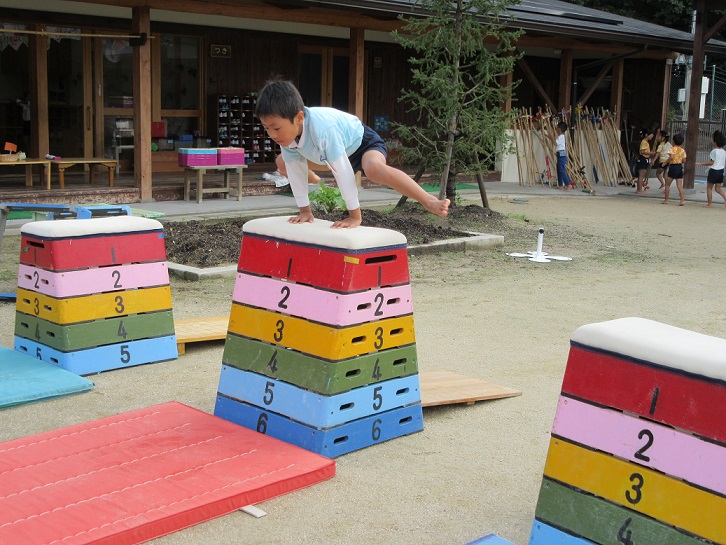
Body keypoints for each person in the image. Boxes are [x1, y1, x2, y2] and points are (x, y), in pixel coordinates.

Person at [255, 79, 450, 228]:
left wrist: (355, 215)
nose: (272, 134)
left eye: (276, 128)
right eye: (266, 128)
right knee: (283, 162)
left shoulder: (323, 129)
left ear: (299, 118)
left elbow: (344, 173)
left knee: (373, 170)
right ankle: (313, 178)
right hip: (326, 155)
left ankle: (429, 200)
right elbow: (295, 171)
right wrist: (305, 211)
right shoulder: (286, 136)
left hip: (361, 144)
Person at [695, 130, 726, 208]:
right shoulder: (723, 151)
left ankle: (710, 203)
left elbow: (711, 163)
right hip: (721, 171)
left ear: (715, 142)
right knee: (718, 189)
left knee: (709, 188)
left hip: (713, 171)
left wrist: (700, 163)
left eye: (713, 139)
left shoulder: (714, 151)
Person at [662, 133, 686, 206]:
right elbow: (684, 160)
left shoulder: (672, 149)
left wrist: (665, 163)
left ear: (673, 141)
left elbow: (671, 157)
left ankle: (666, 200)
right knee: (679, 185)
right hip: (679, 167)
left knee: (667, 184)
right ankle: (682, 200)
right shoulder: (682, 150)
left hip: (673, 167)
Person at [635, 128, 656, 195]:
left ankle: (638, 189)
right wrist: (651, 153)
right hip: (643, 159)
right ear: (646, 135)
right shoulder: (644, 142)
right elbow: (642, 152)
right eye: (651, 134)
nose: (652, 136)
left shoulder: (646, 142)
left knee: (641, 175)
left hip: (645, 159)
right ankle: (639, 190)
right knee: (641, 175)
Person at [554, 121, 573, 191]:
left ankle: (568, 184)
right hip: (560, 154)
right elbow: (556, 143)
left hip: (562, 155)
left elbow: (555, 143)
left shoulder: (561, 136)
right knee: (559, 169)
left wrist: (550, 136)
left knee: (561, 170)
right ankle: (560, 185)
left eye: (557, 128)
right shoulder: (559, 136)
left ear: (559, 129)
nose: (556, 129)